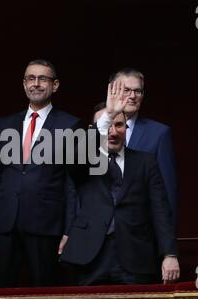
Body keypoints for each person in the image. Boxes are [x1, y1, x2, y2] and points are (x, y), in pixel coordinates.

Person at [60, 80, 180, 285]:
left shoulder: (145, 161)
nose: (113, 132)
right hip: (89, 256)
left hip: (136, 257)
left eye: (119, 125)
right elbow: (74, 164)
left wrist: (169, 254)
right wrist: (108, 114)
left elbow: (160, 210)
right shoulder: (85, 160)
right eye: (108, 125)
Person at [0, 59, 80, 288]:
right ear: (24, 84)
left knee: (45, 292)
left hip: (46, 225)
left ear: (54, 85)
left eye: (42, 79)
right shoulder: (5, 124)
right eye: (30, 78)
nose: (35, 84)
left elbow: (71, 183)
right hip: (5, 225)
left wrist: (69, 229)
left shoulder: (70, 125)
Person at [109, 68, 178, 226]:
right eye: (126, 90)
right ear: (112, 91)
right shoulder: (98, 128)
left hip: (141, 232)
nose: (133, 96)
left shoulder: (159, 134)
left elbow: (167, 192)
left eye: (138, 91)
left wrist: (167, 243)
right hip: (100, 233)